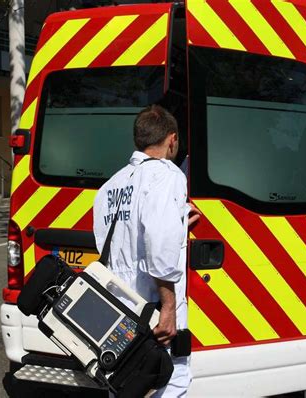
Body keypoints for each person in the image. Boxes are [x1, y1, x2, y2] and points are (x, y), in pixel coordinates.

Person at [93, 105, 199, 396]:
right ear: (172, 139)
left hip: (117, 305)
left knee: (125, 380)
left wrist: (179, 222)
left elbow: (116, 242)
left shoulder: (110, 186)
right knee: (171, 379)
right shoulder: (166, 175)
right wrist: (168, 307)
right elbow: (159, 242)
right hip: (152, 304)